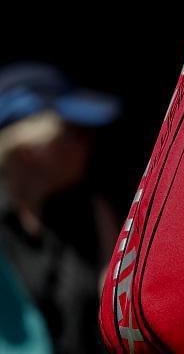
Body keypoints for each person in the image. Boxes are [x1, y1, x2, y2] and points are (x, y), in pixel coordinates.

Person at [0, 62, 120, 354]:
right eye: (73, 132)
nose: (88, 143)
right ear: (28, 148)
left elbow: (115, 306)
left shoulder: (93, 210)